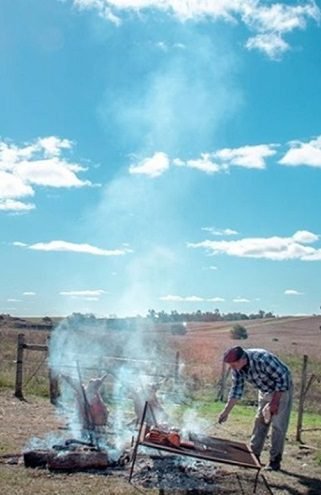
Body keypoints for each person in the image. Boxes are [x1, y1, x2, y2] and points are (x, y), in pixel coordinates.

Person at [218, 346, 292, 471]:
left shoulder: (263, 359)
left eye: (233, 364)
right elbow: (236, 390)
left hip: (282, 389)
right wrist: (226, 412)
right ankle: (253, 456)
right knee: (260, 421)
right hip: (264, 390)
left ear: (242, 359)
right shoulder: (237, 368)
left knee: (278, 425)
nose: (231, 367)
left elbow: (283, 377)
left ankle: (275, 461)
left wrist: (275, 401)